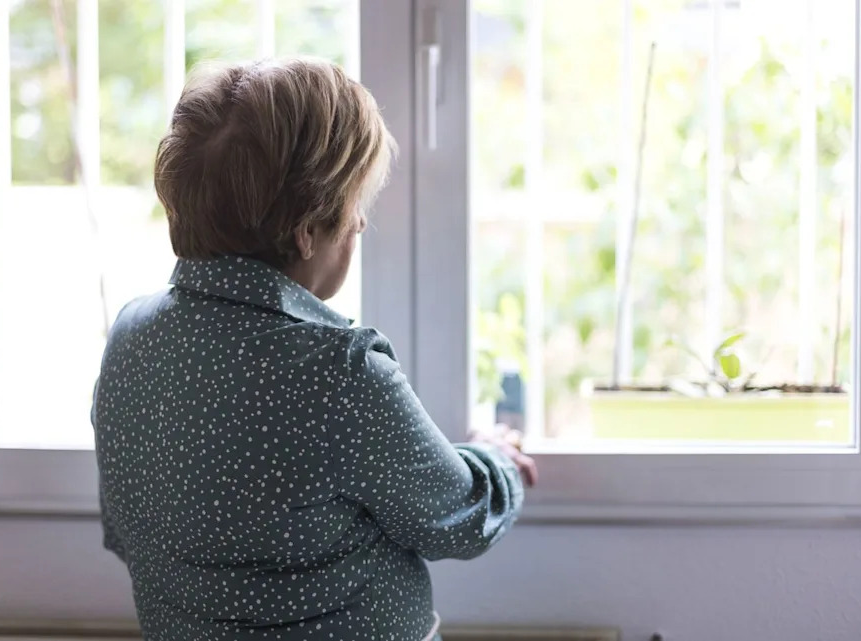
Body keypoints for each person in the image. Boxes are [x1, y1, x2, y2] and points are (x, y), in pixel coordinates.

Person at [92, 57, 536, 641]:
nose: (358, 227)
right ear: (307, 230)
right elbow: (458, 520)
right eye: (357, 210)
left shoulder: (131, 338)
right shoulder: (338, 371)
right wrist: (496, 458)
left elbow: (126, 533)